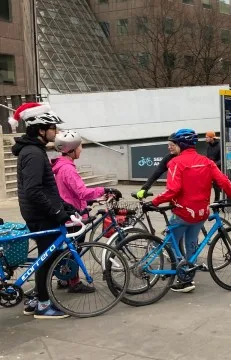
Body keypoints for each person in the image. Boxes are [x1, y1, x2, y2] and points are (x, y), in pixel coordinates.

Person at [151, 128, 231, 293]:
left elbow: (172, 190)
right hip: (201, 213)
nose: (170, 147)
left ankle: (182, 274)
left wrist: (154, 202)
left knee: (170, 244)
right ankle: (187, 278)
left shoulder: (175, 163)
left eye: (172, 144)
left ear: (181, 144)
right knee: (191, 245)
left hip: (182, 212)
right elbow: (224, 182)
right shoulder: (206, 161)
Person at [11, 102, 73, 318]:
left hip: (40, 212)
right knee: (46, 259)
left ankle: (36, 299)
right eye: (53, 128)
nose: (56, 132)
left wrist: (63, 205)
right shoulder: (33, 154)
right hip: (40, 215)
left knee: (45, 257)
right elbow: (34, 190)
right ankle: (44, 305)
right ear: (40, 130)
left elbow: (45, 188)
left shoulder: (33, 151)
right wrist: (57, 213)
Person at [51, 130, 122, 291]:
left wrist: (89, 201)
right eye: (80, 146)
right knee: (75, 249)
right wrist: (104, 190)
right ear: (72, 149)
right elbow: (81, 191)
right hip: (73, 216)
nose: (81, 149)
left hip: (72, 210)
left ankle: (64, 279)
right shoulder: (67, 169)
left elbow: (71, 192)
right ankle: (74, 283)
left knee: (69, 249)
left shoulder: (61, 165)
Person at [135, 135, 179, 199]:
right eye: (168, 145)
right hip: (174, 194)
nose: (169, 147)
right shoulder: (168, 158)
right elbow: (156, 173)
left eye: (172, 145)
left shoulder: (188, 158)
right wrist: (144, 188)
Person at [205, 131, 222, 202]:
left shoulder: (219, 146)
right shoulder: (208, 146)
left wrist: (214, 164)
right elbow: (208, 157)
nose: (206, 138)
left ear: (212, 138)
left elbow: (222, 159)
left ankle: (217, 201)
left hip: (217, 168)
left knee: (216, 186)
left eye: (207, 137)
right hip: (209, 168)